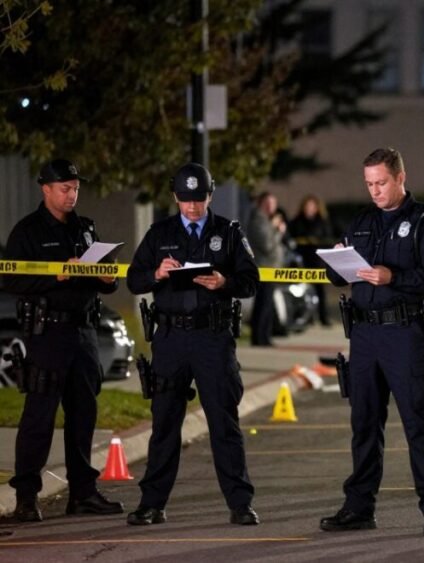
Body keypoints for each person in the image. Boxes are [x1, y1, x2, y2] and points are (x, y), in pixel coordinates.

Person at [319, 148, 424, 536]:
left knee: (418, 422)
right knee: (364, 423)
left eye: (381, 183)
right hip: (364, 335)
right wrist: (337, 265)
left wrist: (391, 277)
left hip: (404, 334)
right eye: (369, 184)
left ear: (400, 178)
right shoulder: (362, 221)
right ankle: (359, 507)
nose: (375, 191)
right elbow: (336, 274)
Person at [125, 162, 260, 526]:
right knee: (164, 423)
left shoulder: (228, 232)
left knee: (223, 422)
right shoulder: (160, 233)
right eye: (185, 200)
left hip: (212, 338)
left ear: (209, 195)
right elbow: (134, 280)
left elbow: (251, 280)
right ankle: (152, 504)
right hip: (170, 339)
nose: (192, 207)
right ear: (175, 197)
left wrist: (224, 282)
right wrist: (157, 274)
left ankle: (240, 503)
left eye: (198, 199)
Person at [3, 159, 123, 522]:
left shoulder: (85, 228)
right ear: (46, 189)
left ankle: (83, 493)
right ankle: (26, 498)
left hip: (83, 333)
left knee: (83, 414)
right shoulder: (28, 232)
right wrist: (55, 276)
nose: (72, 195)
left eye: (75, 188)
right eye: (65, 188)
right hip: (48, 335)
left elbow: (110, 279)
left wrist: (106, 278)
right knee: (39, 417)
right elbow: (13, 281)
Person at [290, 195, 335, 326]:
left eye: (312, 206)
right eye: (307, 206)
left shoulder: (322, 222)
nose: (309, 209)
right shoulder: (297, 222)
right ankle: (306, 318)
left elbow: (328, 240)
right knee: (303, 291)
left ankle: (323, 317)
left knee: (320, 291)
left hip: (317, 261)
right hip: (302, 261)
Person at [247, 191, 285, 346]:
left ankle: (263, 336)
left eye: (273, 204)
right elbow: (267, 246)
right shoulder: (259, 221)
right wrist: (277, 230)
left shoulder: (265, 220)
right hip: (264, 269)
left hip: (271, 268)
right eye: (268, 203)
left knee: (266, 304)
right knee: (264, 304)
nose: (271, 207)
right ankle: (260, 337)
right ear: (261, 204)